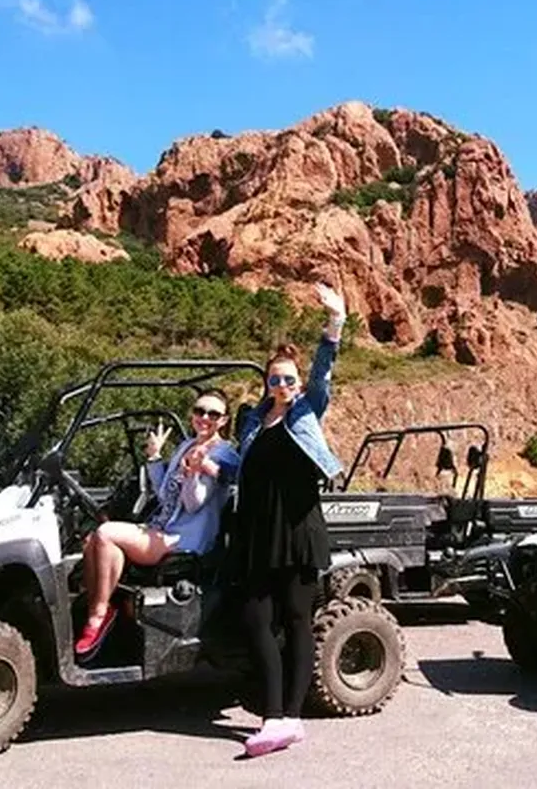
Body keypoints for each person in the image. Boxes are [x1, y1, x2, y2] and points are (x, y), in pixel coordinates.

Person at [234, 282, 346, 758]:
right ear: (266, 382)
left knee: (299, 621)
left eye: (288, 379)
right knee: (256, 620)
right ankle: (275, 714)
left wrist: (334, 323)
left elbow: (323, 375)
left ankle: (287, 718)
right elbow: (235, 466)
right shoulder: (252, 422)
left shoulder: (306, 412)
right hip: (258, 533)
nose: (282, 385)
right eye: (275, 379)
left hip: (298, 529)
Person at [75, 388, 240, 661]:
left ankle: (98, 615)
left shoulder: (223, 454)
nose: (204, 418)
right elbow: (164, 494)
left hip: (184, 538)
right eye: (199, 411)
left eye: (213, 414)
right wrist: (154, 457)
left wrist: (194, 473)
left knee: (106, 533)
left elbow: (194, 504)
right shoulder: (186, 446)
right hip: (161, 526)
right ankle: (103, 609)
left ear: (223, 420)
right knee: (94, 539)